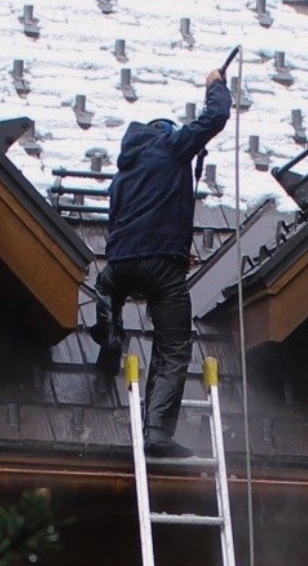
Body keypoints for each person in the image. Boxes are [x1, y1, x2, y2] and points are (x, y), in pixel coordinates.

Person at [90, 69, 231, 458]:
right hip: (159, 269)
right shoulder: (171, 147)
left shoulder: (123, 175)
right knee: (173, 346)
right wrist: (215, 83)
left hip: (117, 266)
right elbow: (216, 117)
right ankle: (156, 432)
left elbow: (126, 222)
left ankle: (110, 337)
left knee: (106, 293)